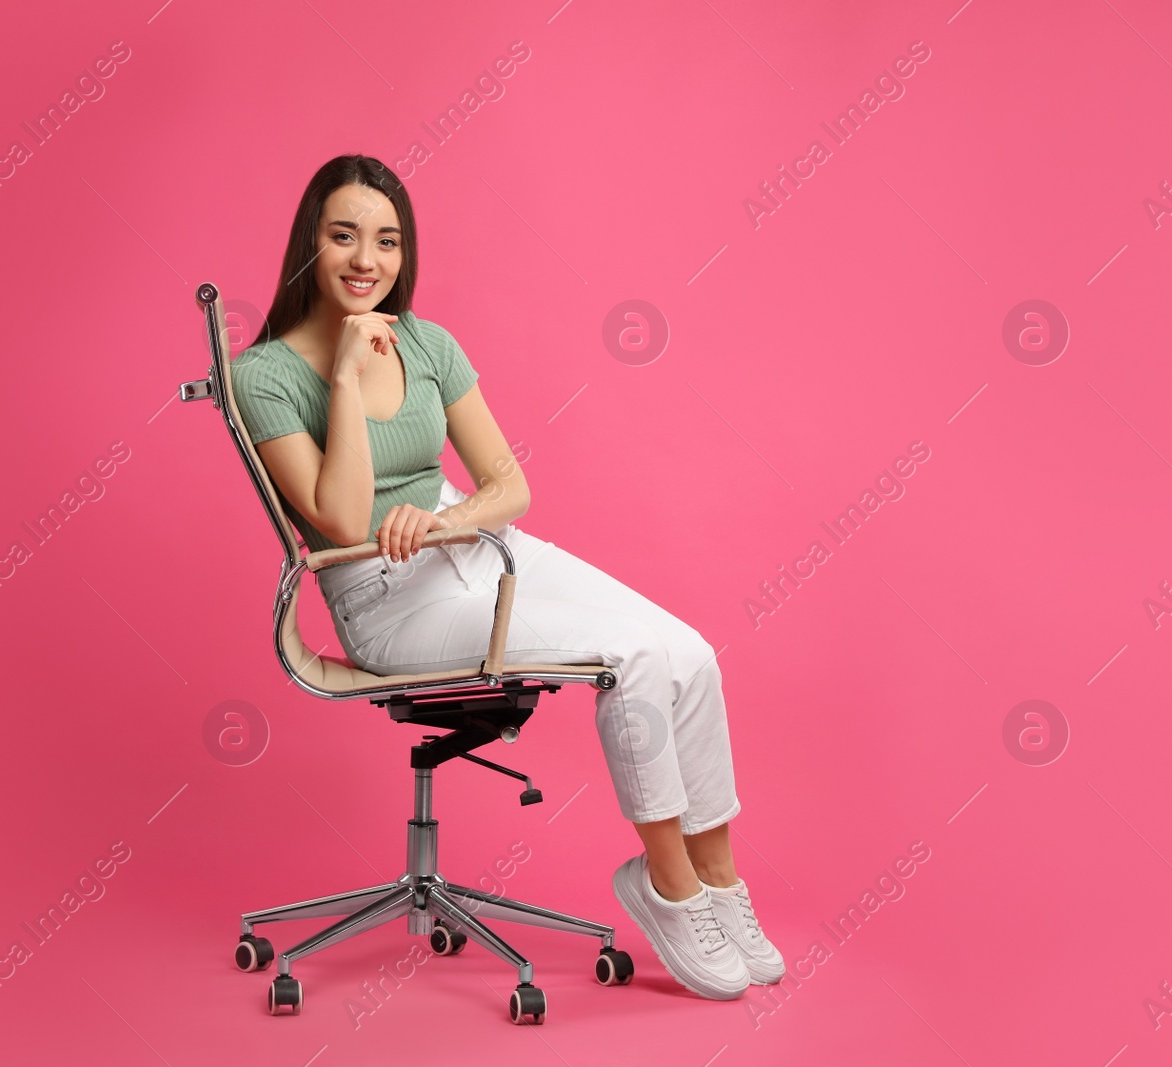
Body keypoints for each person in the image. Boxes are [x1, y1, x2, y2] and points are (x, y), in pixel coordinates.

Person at [229, 154, 783, 1000]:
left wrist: (448, 518)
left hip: (473, 549)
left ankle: (720, 881)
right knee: (630, 657)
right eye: (344, 236)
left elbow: (510, 484)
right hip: (384, 599)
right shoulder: (265, 373)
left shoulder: (428, 343)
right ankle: (667, 884)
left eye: (387, 241)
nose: (365, 260)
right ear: (311, 241)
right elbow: (339, 520)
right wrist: (342, 373)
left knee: (689, 650)